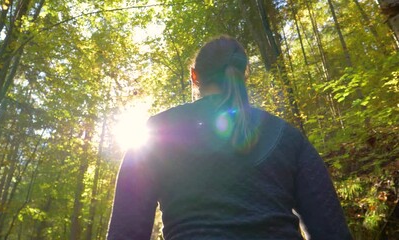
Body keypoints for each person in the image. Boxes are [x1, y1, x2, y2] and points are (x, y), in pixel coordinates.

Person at [107, 35, 353, 240]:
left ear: (195, 76)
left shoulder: (157, 130)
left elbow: (125, 230)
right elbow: (331, 230)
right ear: (242, 74)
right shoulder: (286, 135)